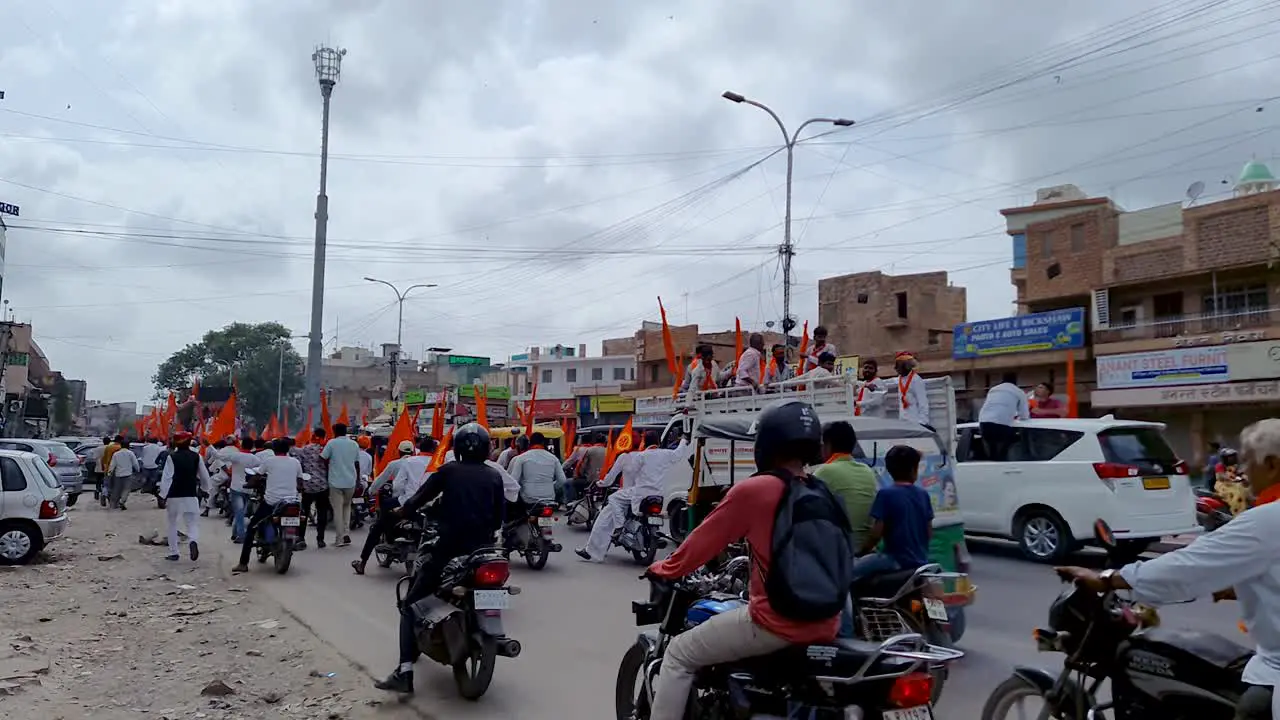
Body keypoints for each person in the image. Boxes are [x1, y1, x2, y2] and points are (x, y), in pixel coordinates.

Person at [1055, 418, 1280, 720]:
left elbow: (1187, 568)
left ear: (1272, 464)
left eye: (1247, 462)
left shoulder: (1266, 520)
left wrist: (1107, 579)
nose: (1242, 472)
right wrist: (1240, 587)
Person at [645, 400, 840, 720]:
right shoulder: (821, 490)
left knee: (678, 654)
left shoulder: (757, 489)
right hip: (827, 621)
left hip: (776, 622)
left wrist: (663, 568)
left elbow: (700, 544)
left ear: (768, 443)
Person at [374, 423, 506, 695]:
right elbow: (497, 517)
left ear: (456, 448)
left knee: (410, 604)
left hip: (448, 550)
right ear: (486, 449)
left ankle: (404, 672)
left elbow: (418, 500)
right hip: (484, 552)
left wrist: (400, 513)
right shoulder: (494, 477)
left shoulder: (447, 472)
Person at [577, 430, 694, 562]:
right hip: (658, 494)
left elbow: (627, 473)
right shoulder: (664, 454)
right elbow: (678, 454)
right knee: (606, 517)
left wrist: (602, 483)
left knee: (607, 512)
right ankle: (597, 546)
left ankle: (616, 529)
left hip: (636, 493)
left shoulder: (634, 457)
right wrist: (684, 440)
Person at [815, 421, 880, 638]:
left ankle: (844, 637)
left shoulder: (823, 473)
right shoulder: (867, 471)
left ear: (828, 444)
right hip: (868, 550)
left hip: (843, 554)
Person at [353, 437, 436, 575]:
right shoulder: (439, 463)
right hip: (430, 506)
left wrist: (400, 498)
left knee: (378, 526)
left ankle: (362, 563)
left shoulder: (407, 462)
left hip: (408, 502)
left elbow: (397, 485)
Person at [852, 445, 933, 581]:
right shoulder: (923, 494)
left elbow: (876, 534)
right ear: (914, 470)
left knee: (848, 572)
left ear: (889, 470)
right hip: (921, 560)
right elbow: (929, 532)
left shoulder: (886, 494)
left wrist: (862, 551)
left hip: (894, 560)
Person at [232, 438, 305, 574]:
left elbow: (257, 477)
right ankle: (299, 539)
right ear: (288, 449)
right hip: (291, 501)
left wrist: (249, 484)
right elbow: (300, 482)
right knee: (302, 517)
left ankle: (243, 563)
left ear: (274, 449)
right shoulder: (295, 462)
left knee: (252, 527)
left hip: (272, 501)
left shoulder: (269, 461)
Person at [158, 432, 211, 562]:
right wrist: (206, 489)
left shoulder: (172, 457)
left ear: (176, 443)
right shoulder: (196, 456)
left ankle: (174, 552)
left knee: (172, 524)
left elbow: (167, 478)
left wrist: (162, 495)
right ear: (189, 442)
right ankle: (193, 541)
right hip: (191, 495)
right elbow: (204, 476)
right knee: (192, 523)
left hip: (174, 495)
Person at [322, 423, 362, 547]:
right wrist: (358, 481)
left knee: (337, 510)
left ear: (334, 431)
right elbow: (357, 464)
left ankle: (339, 538)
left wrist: (329, 467)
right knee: (347, 507)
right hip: (350, 481)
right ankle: (346, 534)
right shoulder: (354, 444)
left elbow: (323, 457)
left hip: (335, 481)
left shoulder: (332, 443)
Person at [508, 431, 565, 513]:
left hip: (529, 498)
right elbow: (562, 480)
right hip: (549, 497)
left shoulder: (521, 458)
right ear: (543, 443)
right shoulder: (553, 458)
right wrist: (551, 487)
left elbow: (514, 481)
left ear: (530, 443)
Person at [293, 428, 331, 550]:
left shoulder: (305, 449)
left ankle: (301, 537)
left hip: (307, 486)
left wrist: (300, 483)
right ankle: (320, 539)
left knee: (304, 512)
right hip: (323, 485)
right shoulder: (325, 449)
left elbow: (299, 465)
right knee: (322, 512)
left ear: (313, 436)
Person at [978, 372, 1030, 461]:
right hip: (1002, 423)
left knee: (991, 448)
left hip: (984, 421)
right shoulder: (1018, 392)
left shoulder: (993, 389)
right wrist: (1020, 417)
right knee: (1005, 447)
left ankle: (991, 461)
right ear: (1016, 381)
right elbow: (1024, 414)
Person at [220, 437, 261, 543]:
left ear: (241, 445)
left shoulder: (236, 456)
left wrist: (209, 446)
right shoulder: (255, 459)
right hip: (249, 489)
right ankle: (235, 533)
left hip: (236, 488)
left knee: (239, 512)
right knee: (241, 512)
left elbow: (219, 456)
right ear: (252, 446)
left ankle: (241, 535)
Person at [567, 431, 608, 503]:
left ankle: (572, 502)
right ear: (605, 442)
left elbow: (582, 466)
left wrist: (578, 475)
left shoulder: (589, 450)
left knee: (569, 483)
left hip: (590, 480)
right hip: (605, 480)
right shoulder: (609, 451)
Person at [893, 352, 931, 430]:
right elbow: (885, 383)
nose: (896, 368)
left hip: (915, 423)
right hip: (903, 423)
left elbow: (923, 403)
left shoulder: (916, 380)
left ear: (906, 366)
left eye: (898, 366)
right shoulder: (899, 379)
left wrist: (922, 423)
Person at [107, 437, 140, 510]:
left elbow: (112, 465)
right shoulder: (131, 453)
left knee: (117, 489)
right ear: (128, 445)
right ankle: (122, 501)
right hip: (128, 474)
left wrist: (109, 473)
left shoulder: (116, 454)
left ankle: (114, 504)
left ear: (121, 445)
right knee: (126, 489)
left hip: (118, 475)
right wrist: (138, 470)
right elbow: (135, 463)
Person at [99, 436, 122, 507]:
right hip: (117, 470)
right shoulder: (120, 448)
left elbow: (103, 459)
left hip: (108, 469)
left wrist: (103, 467)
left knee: (106, 485)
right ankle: (115, 502)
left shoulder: (108, 447)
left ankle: (104, 494)